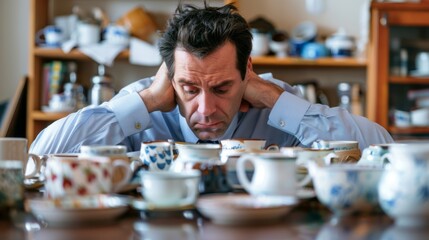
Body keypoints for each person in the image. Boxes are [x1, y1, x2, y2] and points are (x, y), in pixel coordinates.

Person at [30, 2, 393, 155]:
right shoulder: (143, 102)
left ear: (246, 70)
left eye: (221, 88)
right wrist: (148, 101)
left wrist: (274, 100)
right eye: (189, 88)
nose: (205, 109)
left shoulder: (276, 103)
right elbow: (41, 154)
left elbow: (382, 148)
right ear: (170, 76)